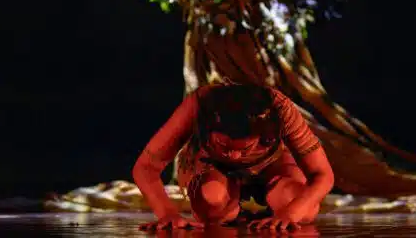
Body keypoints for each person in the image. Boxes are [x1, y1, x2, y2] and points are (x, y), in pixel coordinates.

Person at [132, 83, 334, 231]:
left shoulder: (280, 110)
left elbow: (322, 174)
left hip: (274, 165)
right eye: (224, 146)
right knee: (211, 199)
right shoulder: (199, 105)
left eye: (245, 148)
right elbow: (146, 167)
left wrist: (291, 213)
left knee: (301, 207)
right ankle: (230, 204)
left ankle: (268, 208)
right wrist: (167, 215)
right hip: (212, 167)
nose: (236, 156)